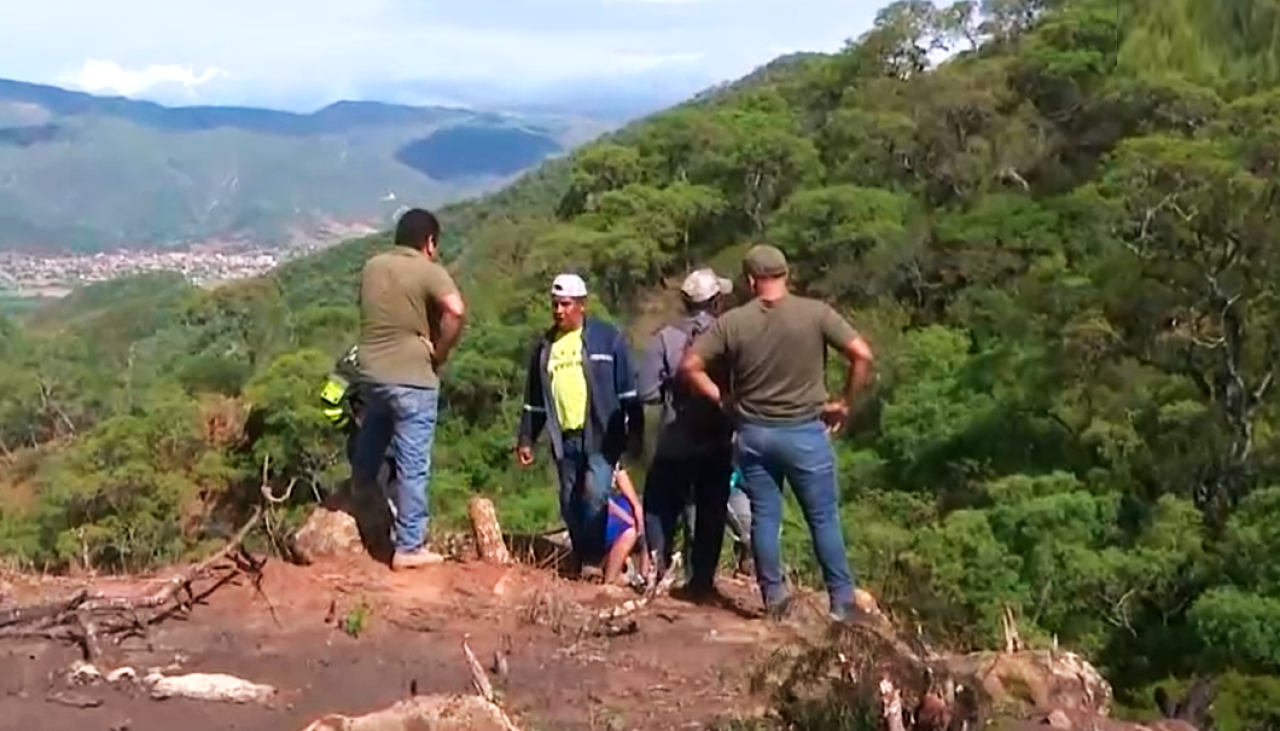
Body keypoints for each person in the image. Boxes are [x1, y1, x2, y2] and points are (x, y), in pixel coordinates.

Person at [680, 244, 875, 622]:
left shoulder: (733, 322)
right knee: (822, 518)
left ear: (751, 280)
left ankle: (775, 602)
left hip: (754, 434)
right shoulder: (816, 314)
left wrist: (723, 400)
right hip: (805, 431)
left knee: (766, 516)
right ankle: (842, 603)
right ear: (786, 275)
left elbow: (691, 365)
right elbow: (862, 354)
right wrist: (845, 403)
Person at [353, 208, 467, 571]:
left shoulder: (372, 266)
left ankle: (359, 489)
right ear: (429, 242)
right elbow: (456, 310)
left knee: (375, 426)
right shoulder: (428, 270)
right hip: (412, 377)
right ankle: (409, 547)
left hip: (371, 373)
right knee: (413, 465)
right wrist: (440, 351)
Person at [515, 273, 645, 571]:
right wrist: (526, 439)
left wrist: (635, 431)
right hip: (564, 436)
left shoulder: (606, 338)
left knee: (596, 494)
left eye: (565, 304)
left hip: (601, 435)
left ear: (582, 305)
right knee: (569, 500)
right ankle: (583, 556)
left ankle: (592, 559)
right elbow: (533, 400)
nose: (559, 310)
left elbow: (628, 390)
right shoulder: (545, 347)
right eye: (555, 305)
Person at [637, 268, 736, 598]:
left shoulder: (666, 338)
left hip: (675, 436)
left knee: (658, 504)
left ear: (685, 301)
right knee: (712, 509)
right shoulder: (730, 336)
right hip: (719, 436)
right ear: (717, 301)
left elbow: (647, 391)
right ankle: (702, 580)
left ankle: (658, 568)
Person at [603, 465, 651, 589]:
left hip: (618, 515)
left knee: (645, 520)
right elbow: (603, 501)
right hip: (602, 517)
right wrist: (628, 519)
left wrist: (637, 509)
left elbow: (633, 497)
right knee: (630, 531)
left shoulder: (616, 464)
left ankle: (644, 576)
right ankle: (610, 580)